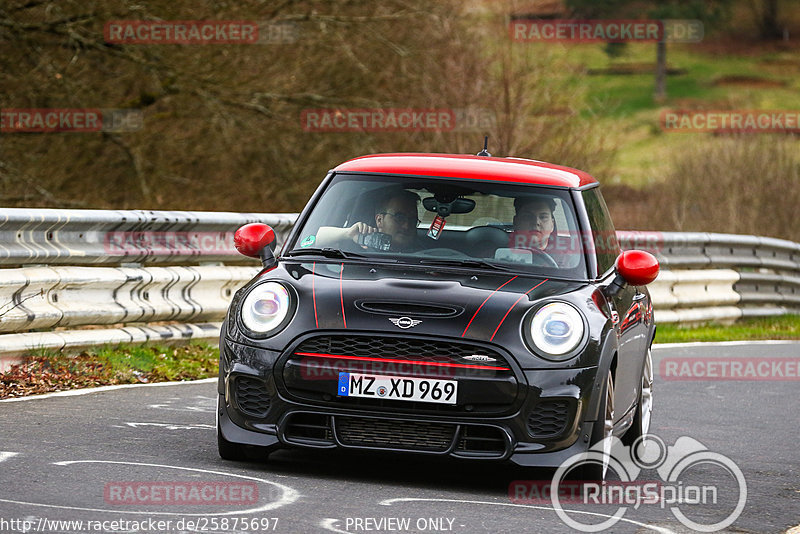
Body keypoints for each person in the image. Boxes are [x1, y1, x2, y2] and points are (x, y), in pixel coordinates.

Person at [316, 189, 422, 252]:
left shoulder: (426, 255)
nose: (407, 226)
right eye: (399, 218)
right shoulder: (358, 246)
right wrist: (348, 234)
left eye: (412, 220)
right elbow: (308, 241)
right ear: (379, 220)